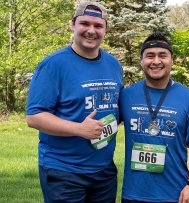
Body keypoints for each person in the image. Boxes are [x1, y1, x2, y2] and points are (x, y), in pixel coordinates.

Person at [26, 1, 123, 202]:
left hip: (104, 170)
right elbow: (34, 117)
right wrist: (79, 129)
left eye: (98, 26)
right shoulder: (54, 65)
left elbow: (116, 106)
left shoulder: (113, 64)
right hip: (64, 171)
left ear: (106, 29)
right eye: (84, 24)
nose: (91, 31)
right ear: (72, 24)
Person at [119, 31, 189, 203]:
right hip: (134, 193)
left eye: (163, 55)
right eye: (150, 56)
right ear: (141, 61)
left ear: (172, 60)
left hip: (174, 193)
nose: (156, 61)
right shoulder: (126, 95)